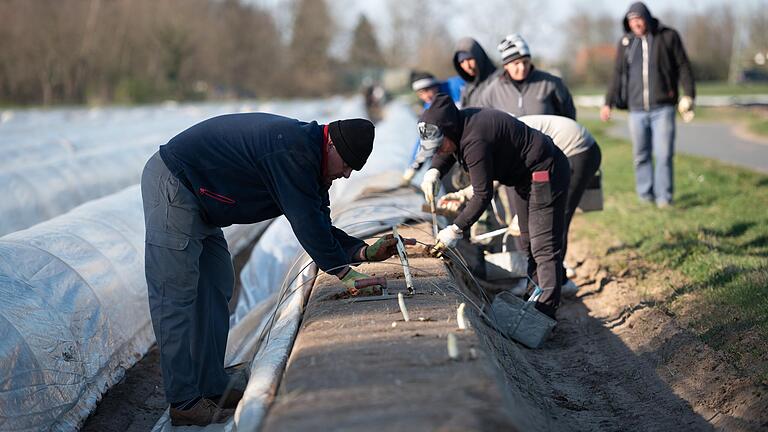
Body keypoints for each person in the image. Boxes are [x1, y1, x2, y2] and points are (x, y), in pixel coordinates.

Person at [141, 114, 407, 426]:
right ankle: (184, 400)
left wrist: (362, 250)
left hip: (203, 199)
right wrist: (344, 273)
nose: (347, 174)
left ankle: (212, 384)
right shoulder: (293, 153)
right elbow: (306, 225)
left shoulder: (312, 159)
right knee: (177, 295)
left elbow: (319, 221)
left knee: (216, 283)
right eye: (347, 164)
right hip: (176, 184)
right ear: (331, 144)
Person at [419, 93, 570, 319]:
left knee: (544, 246)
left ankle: (544, 313)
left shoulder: (475, 140)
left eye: (439, 145)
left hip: (544, 172)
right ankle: (534, 297)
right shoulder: (462, 125)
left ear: (448, 130)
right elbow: (449, 149)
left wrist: (455, 229)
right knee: (527, 240)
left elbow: (482, 195)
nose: (438, 150)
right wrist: (435, 171)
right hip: (523, 178)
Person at [600, 1, 695, 208]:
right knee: (641, 154)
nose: (636, 24)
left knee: (663, 154)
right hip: (636, 110)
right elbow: (617, 74)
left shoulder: (668, 36)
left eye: (639, 19)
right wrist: (608, 103)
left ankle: (664, 199)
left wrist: (689, 95)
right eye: (632, 20)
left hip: (663, 107)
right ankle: (645, 197)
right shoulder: (625, 43)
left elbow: (684, 66)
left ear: (648, 18)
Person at [478, 34, 576, 119]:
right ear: (506, 66)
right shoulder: (492, 92)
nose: (522, 67)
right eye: (516, 63)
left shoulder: (551, 84)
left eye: (525, 62)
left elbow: (568, 119)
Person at [402, 70, 465, 185]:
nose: (425, 96)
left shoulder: (457, 85)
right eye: (420, 94)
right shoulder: (430, 107)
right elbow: (425, 138)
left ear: (435, 85)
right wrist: (414, 166)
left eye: (427, 90)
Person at [452, 37, 498, 108]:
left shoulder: (499, 80)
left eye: (470, 59)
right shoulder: (466, 90)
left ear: (479, 57)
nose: (467, 66)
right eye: (462, 62)